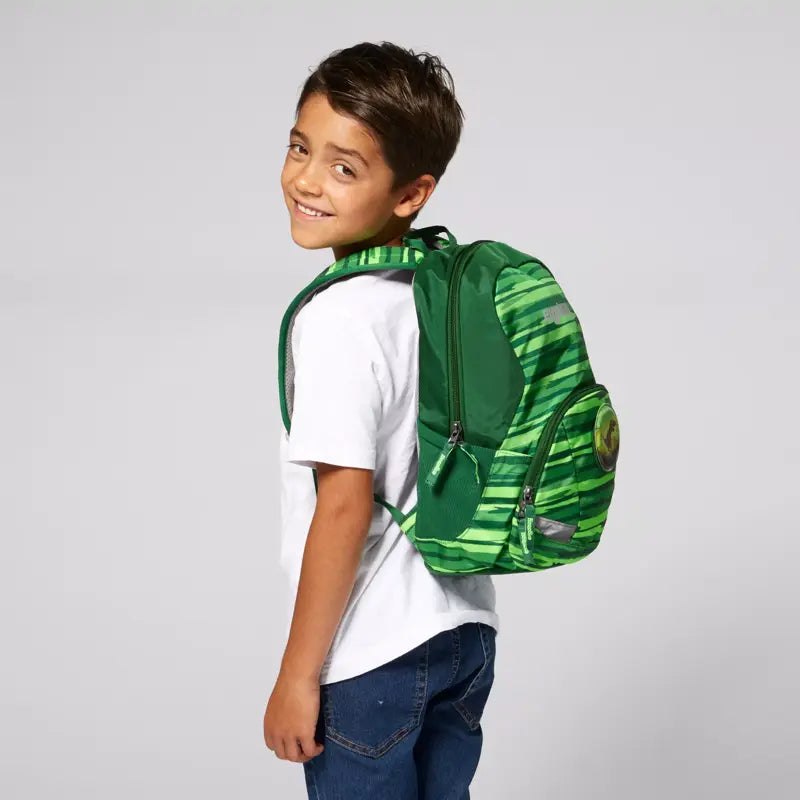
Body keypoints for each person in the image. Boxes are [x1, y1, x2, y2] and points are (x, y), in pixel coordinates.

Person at [263, 41, 499, 799]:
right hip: (465, 632)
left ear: (411, 193)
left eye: (344, 167)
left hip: (372, 650)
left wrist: (298, 675)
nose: (306, 179)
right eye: (300, 147)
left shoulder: (340, 319)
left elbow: (343, 505)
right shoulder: (442, 300)